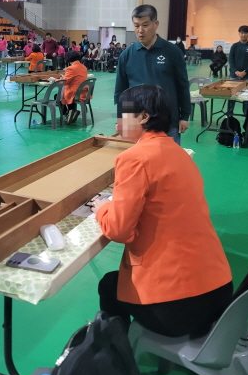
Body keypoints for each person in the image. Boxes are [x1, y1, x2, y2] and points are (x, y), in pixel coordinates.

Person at [93, 84, 232, 337]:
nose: (117, 124)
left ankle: (116, 352)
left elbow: (119, 230)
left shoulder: (134, 158)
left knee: (109, 286)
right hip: (219, 293)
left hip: (176, 306)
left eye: (122, 115)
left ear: (143, 117)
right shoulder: (179, 153)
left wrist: (103, 208)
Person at [114, 4, 191, 145]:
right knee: (140, 158)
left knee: (168, 158)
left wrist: (184, 116)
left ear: (156, 24)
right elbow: (121, 90)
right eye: (136, 26)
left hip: (168, 122)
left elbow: (182, 85)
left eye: (145, 25)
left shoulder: (172, 52)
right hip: (138, 124)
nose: (140, 31)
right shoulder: (126, 55)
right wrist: (121, 119)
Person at [228, 25, 248, 113]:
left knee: (247, 98)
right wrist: (235, 71)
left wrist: (245, 72)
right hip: (234, 76)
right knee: (231, 96)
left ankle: (247, 115)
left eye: (245, 33)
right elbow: (231, 59)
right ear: (239, 33)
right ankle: (229, 115)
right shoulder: (234, 46)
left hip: (247, 76)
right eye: (242, 33)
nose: (243, 35)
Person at [54, 50, 88, 124]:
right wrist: (64, 77)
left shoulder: (70, 68)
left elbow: (65, 82)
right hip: (84, 93)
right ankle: (72, 112)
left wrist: (53, 80)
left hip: (75, 94)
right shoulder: (83, 67)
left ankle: (67, 114)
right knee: (67, 93)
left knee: (57, 96)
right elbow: (74, 78)